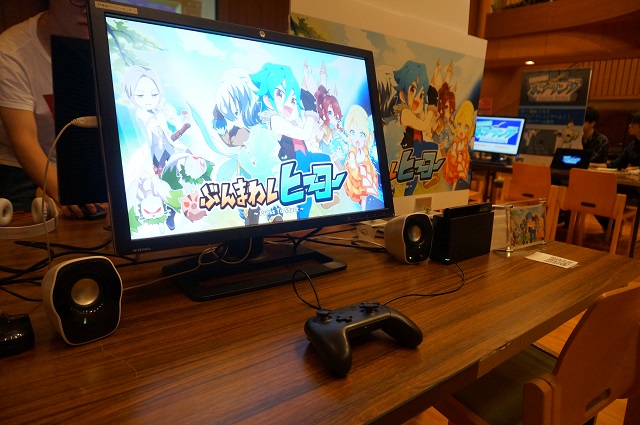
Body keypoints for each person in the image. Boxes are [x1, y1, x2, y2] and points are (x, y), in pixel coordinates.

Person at [0, 0, 104, 218]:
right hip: (23, 169)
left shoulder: (111, 39)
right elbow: (24, 140)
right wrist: (66, 193)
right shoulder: (10, 52)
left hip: (84, 162)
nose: (87, 8)